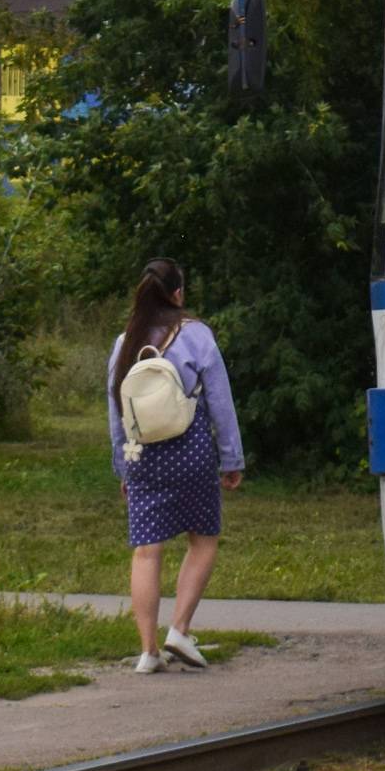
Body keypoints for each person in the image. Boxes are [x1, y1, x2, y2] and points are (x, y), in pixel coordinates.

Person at [107, 258, 244, 675]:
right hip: (192, 452)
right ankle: (180, 630)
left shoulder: (124, 342)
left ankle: (149, 651)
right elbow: (219, 403)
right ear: (179, 293)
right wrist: (231, 458)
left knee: (147, 552)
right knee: (203, 538)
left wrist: (122, 468)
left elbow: (117, 412)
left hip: (144, 456)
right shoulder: (197, 335)